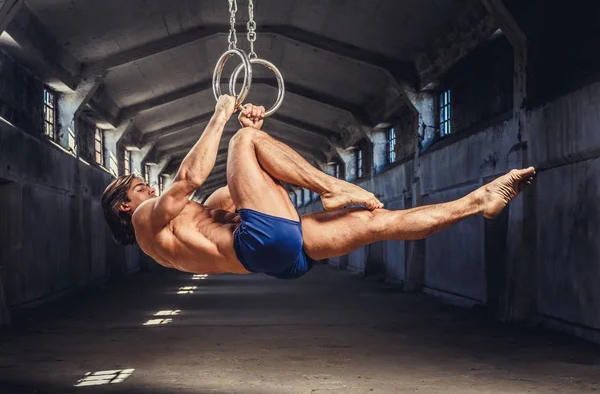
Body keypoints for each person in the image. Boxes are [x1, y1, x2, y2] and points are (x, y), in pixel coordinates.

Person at [101, 95, 536, 279]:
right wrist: (221, 116)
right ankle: (333, 188)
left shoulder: (182, 228)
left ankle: (478, 202)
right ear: (124, 206)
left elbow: (243, 188)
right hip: (259, 242)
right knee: (241, 141)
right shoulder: (144, 220)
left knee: (379, 222)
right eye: (138, 187)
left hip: (276, 259)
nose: (146, 189)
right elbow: (190, 178)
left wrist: (255, 129)